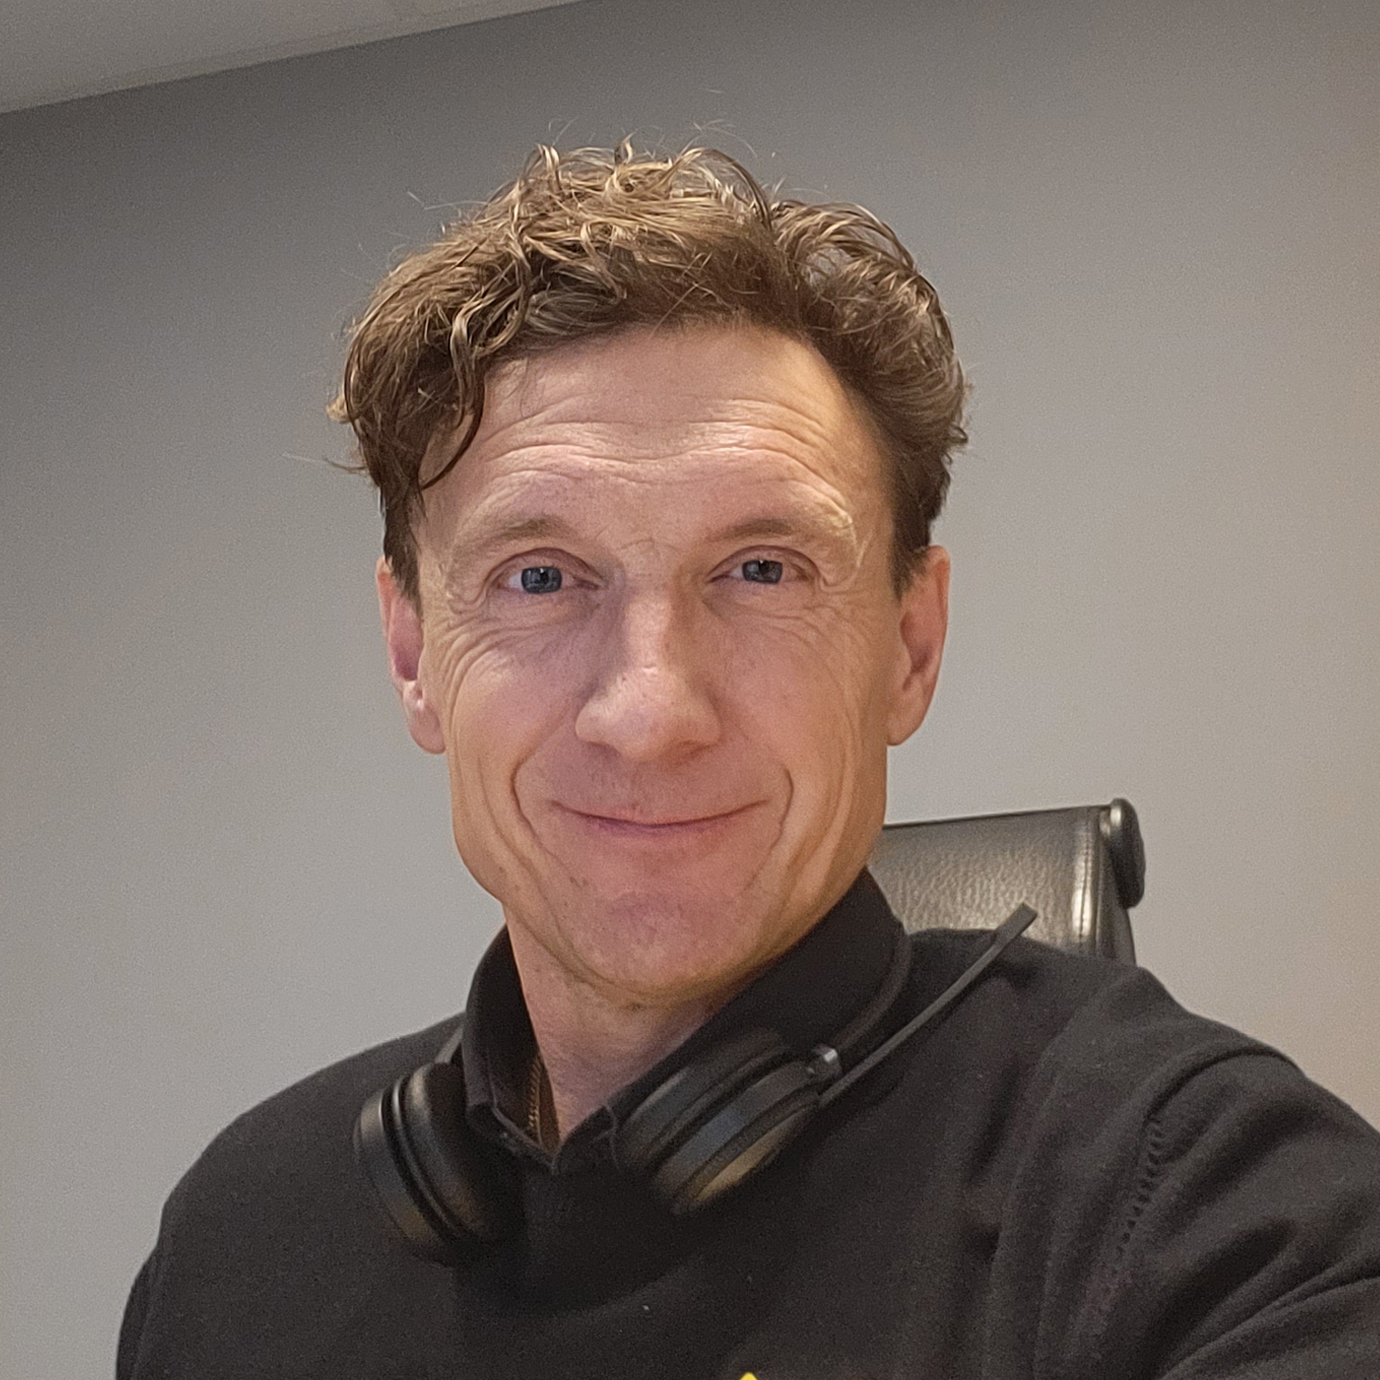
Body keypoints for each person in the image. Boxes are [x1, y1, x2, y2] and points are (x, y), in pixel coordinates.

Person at [117, 144, 1380, 1380]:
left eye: (762, 570)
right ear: (413, 654)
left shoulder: (1212, 1207)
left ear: (910, 646)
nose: (649, 711)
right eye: (540, 578)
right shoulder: (242, 1241)